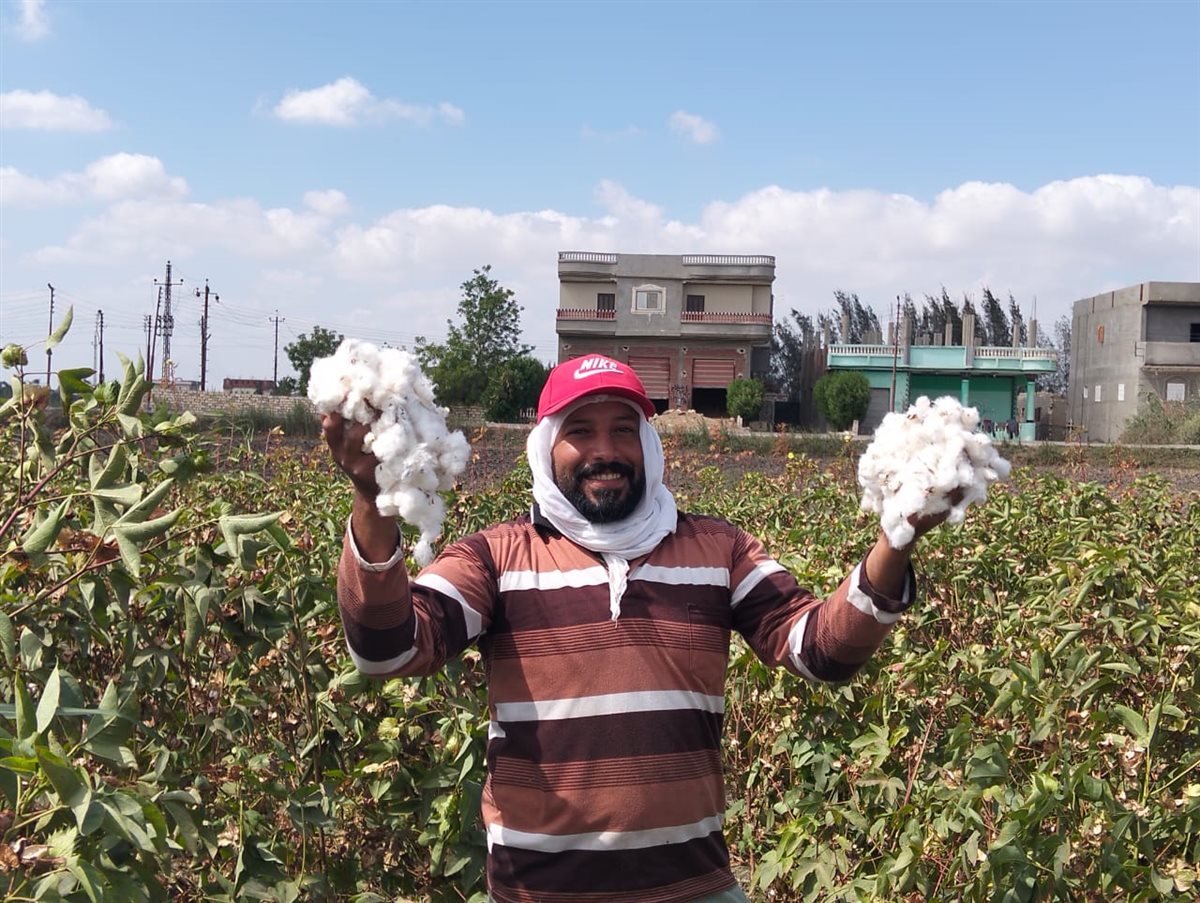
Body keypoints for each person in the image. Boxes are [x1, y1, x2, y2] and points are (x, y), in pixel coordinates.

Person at [322, 353, 956, 903]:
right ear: (547, 447)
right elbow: (389, 649)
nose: (606, 451)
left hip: (693, 886)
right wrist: (372, 498)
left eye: (624, 429)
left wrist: (894, 540)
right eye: (582, 432)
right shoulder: (497, 557)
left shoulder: (717, 550)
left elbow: (819, 651)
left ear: (648, 444)